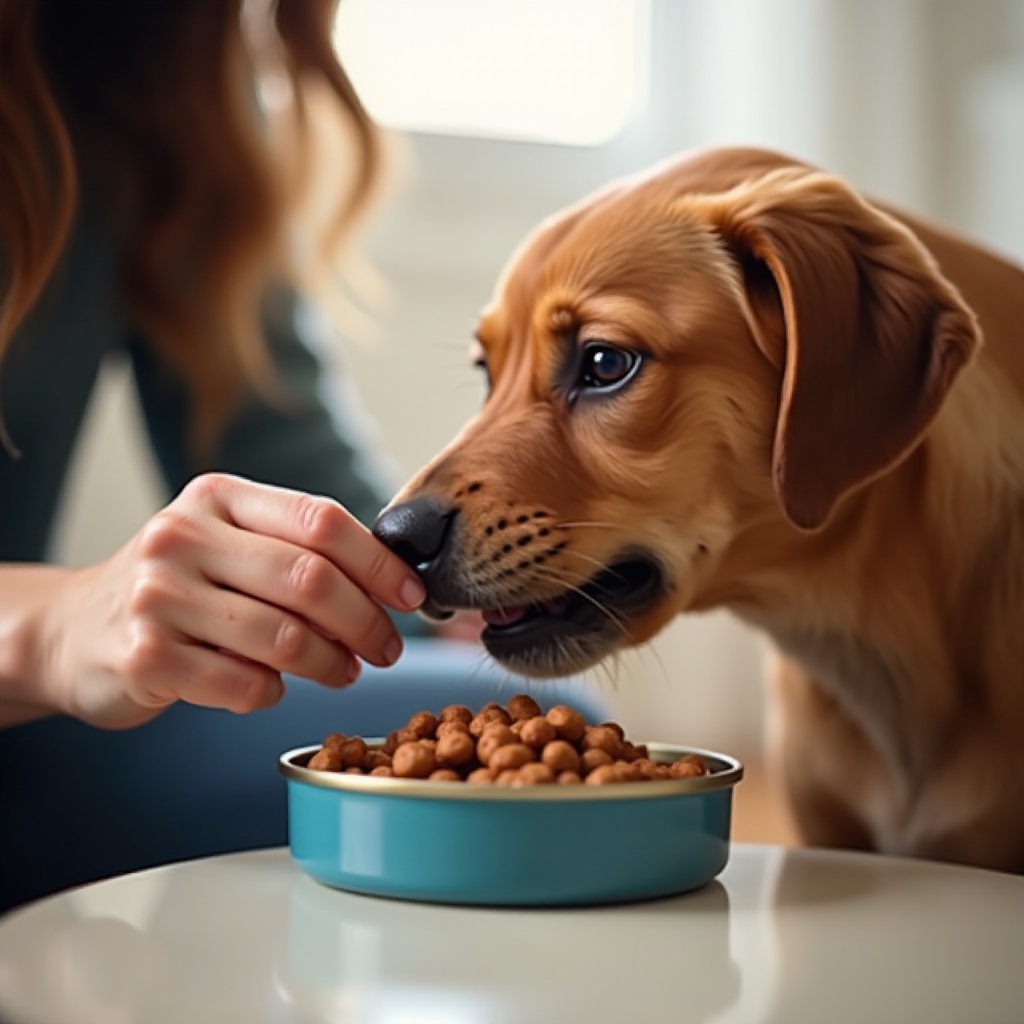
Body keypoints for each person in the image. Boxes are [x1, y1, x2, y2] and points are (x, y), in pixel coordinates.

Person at [0, 0, 461, 735]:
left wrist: (453, 596)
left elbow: (278, 446)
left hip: (31, 734)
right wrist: (54, 627)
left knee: (527, 727)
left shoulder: (163, 56)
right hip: (29, 689)